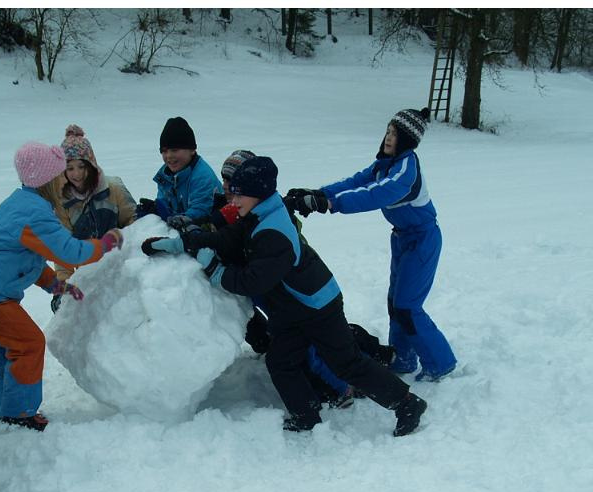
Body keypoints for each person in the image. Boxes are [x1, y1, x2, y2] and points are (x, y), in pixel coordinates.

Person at [143, 156, 427, 436]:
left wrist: (214, 269)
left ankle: (407, 403)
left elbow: (252, 281)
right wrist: (183, 243)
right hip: (293, 310)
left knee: (346, 363)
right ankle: (306, 415)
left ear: (258, 194)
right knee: (280, 361)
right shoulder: (257, 214)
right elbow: (227, 238)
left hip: (318, 306)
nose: (233, 201)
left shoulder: (274, 231)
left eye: (240, 195)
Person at [0, 141, 123, 431]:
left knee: (11, 347)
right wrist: (105, 243)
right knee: (29, 343)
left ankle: (11, 410)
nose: (65, 180)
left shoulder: (23, 204)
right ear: (49, 180)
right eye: (61, 175)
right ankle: (19, 412)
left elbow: (25, 257)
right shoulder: (33, 212)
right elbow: (70, 252)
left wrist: (55, 285)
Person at [285, 107, 456, 382]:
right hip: (402, 238)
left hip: (423, 240)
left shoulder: (405, 170)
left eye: (395, 134)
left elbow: (374, 194)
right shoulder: (384, 165)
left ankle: (440, 362)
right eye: (388, 131)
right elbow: (356, 181)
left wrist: (330, 204)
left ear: (407, 140)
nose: (388, 137)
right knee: (395, 302)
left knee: (407, 306)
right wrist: (319, 193)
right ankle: (403, 357)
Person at [49, 124, 137, 312]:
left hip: (121, 273)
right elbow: (63, 249)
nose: (77, 174)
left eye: (82, 166)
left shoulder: (113, 189)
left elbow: (135, 225)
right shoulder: (62, 201)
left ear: (91, 164)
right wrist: (62, 289)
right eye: (70, 168)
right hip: (89, 280)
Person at [135, 116, 222, 231]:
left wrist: (181, 219)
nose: (169, 156)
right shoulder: (165, 175)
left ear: (192, 150)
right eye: (164, 151)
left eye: (174, 150)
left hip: (207, 230)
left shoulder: (202, 176)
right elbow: (165, 203)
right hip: (181, 228)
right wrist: (156, 208)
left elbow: (201, 211)